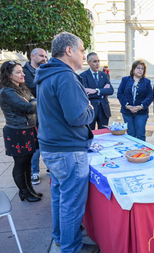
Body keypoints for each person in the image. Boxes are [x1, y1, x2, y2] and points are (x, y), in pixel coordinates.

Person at [34, 32, 99, 253]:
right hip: (67, 150)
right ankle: (71, 247)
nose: (83, 55)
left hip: (53, 147)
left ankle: (61, 236)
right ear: (69, 50)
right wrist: (90, 110)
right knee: (71, 201)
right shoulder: (65, 76)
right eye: (81, 50)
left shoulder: (48, 73)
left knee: (61, 196)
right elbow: (77, 116)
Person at [0, 61, 42, 202]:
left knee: (28, 161)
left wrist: (32, 101)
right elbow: (29, 107)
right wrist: (33, 102)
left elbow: (32, 102)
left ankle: (30, 189)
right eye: (18, 72)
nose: (22, 74)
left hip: (28, 129)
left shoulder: (21, 88)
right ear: (9, 75)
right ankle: (23, 192)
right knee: (20, 163)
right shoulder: (7, 91)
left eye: (21, 71)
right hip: (17, 132)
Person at [22, 48, 48, 185]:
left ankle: (49, 166)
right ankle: (35, 172)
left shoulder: (45, 69)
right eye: (41, 56)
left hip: (46, 113)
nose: (44, 58)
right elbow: (30, 89)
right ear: (32, 56)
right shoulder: (24, 72)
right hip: (33, 115)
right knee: (35, 144)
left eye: (45, 56)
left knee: (47, 139)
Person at [117, 60, 153, 141]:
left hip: (141, 113)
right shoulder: (125, 80)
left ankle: (141, 153)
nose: (140, 70)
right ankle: (132, 153)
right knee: (131, 135)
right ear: (133, 69)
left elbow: (150, 96)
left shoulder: (146, 82)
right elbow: (120, 94)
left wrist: (141, 106)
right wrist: (127, 106)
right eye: (138, 68)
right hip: (127, 112)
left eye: (142, 69)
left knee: (140, 135)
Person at [81, 52, 114, 130]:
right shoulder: (83, 76)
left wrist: (96, 91)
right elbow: (86, 94)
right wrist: (103, 91)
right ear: (88, 63)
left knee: (104, 134)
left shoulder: (104, 75)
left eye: (98, 61)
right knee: (90, 134)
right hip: (91, 110)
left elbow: (111, 91)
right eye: (94, 61)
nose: (97, 64)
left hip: (104, 110)